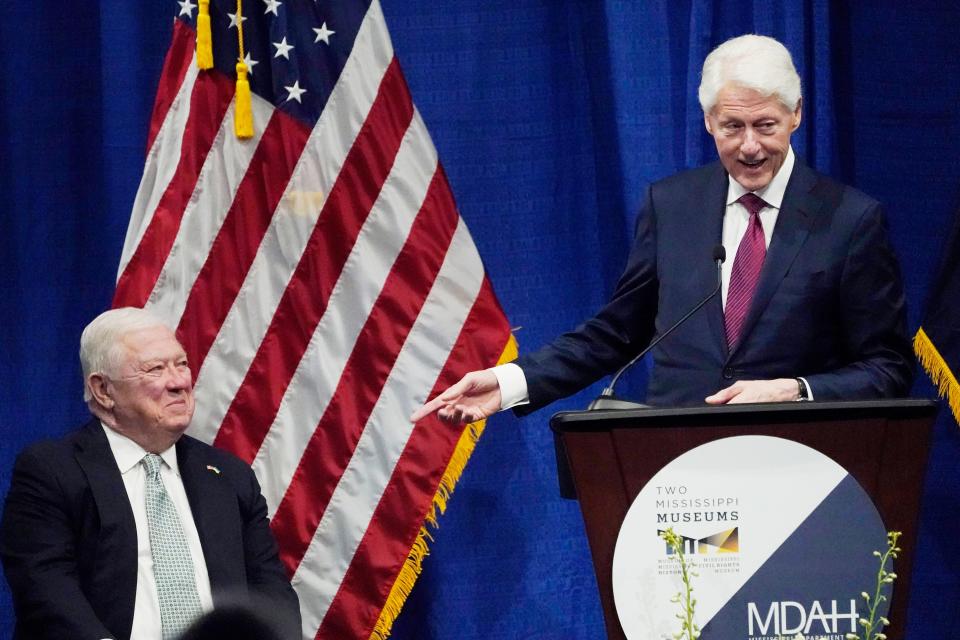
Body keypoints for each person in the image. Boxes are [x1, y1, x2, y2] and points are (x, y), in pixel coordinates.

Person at [411, 34, 913, 425]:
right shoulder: (672, 205)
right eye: (732, 127)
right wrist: (512, 382)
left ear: (796, 114)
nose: (750, 147)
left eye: (766, 125)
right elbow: (616, 333)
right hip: (680, 470)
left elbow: (887, 369)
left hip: (796, 466)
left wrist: (794, 390)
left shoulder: (849, 220)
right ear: (708, 121)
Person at [0, 308, 301, 640]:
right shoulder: (53, 470)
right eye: (155, 369)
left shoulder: (228, 475)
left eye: (182, 364)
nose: (179, 382)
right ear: (103, 390)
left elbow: (271, 590)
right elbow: (45, 590)